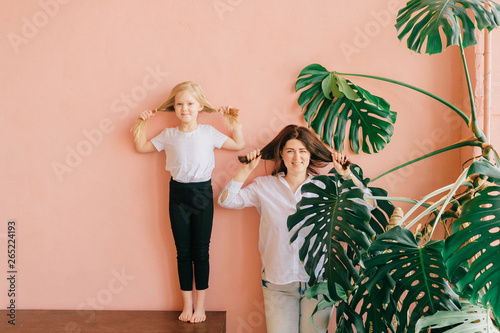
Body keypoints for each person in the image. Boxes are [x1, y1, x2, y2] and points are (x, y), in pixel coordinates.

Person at [217, 124, 373, 333]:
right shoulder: (264, 186)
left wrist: (346, 175)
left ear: (310, 154)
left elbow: (369, 205)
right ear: (281, 154)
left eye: (302, 151)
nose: (296, 157)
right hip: (277, 282)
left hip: (319, 281)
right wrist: (246, 169)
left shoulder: (326, 187)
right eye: (290, 151)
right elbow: (226, 201)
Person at [133, 81, 244, 323]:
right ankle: (188, 305)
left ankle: (201, 307)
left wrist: (233, 120)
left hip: (202, 193)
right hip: (177, 195)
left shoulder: (208, 133)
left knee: (201, 251)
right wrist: (142, 122)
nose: (185, 108)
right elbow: (141, 147)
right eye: (179, 104)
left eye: (190, 104)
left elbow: (238, 144)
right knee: (182, 252)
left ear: (200, 106)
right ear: (173, 107)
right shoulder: (168, 135)